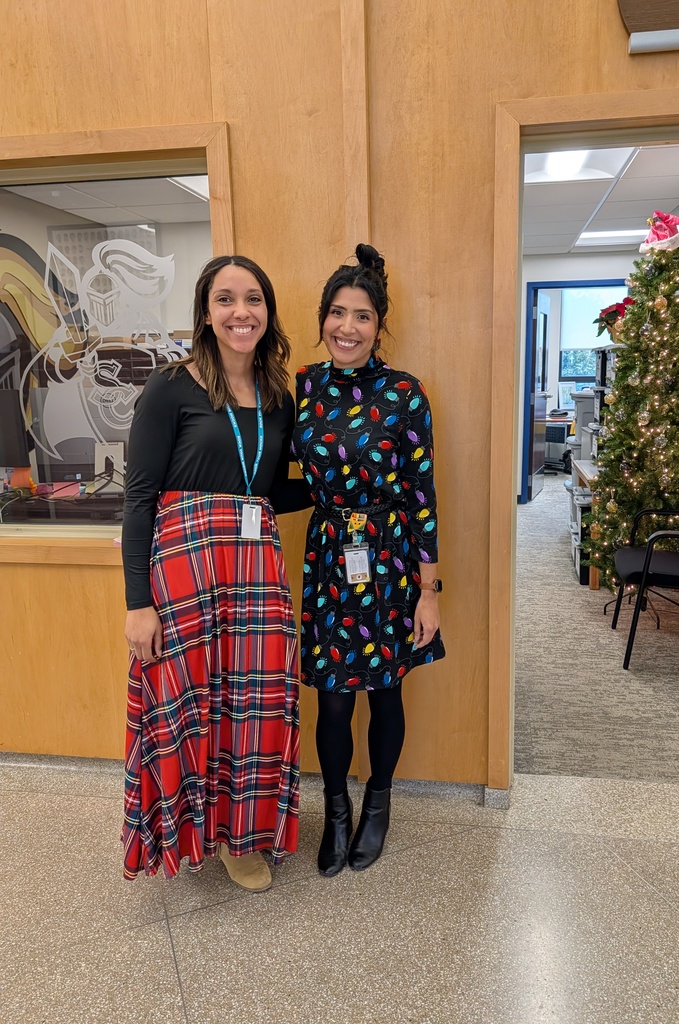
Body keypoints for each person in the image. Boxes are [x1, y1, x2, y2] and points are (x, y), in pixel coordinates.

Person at [122, 254, 309, 891]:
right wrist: (136, 600)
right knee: (187, 702)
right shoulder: (172, 386)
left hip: (255, 568)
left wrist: (341, 490)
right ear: (206, 310)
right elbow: (139, 496)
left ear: (268, 311)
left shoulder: (279, 394)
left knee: (255, 704)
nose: (240, 312)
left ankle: (242, 836)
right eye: (226, 299)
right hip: (184, 567)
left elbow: (263, 490)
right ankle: (186, 831)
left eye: (253, 299)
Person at [292, 243, 445, 876]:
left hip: (388, 560)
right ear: (323, 319)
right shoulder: (299, 387)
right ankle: (334, 810)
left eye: (361, 316)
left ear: (379, 325)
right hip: (329, 557)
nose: (346, 327)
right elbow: (280, 471)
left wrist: (429, 590)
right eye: (337, 313)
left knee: (384, 692)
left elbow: (422, 494)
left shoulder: (405, 394)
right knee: (331, 699)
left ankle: (377, 803)